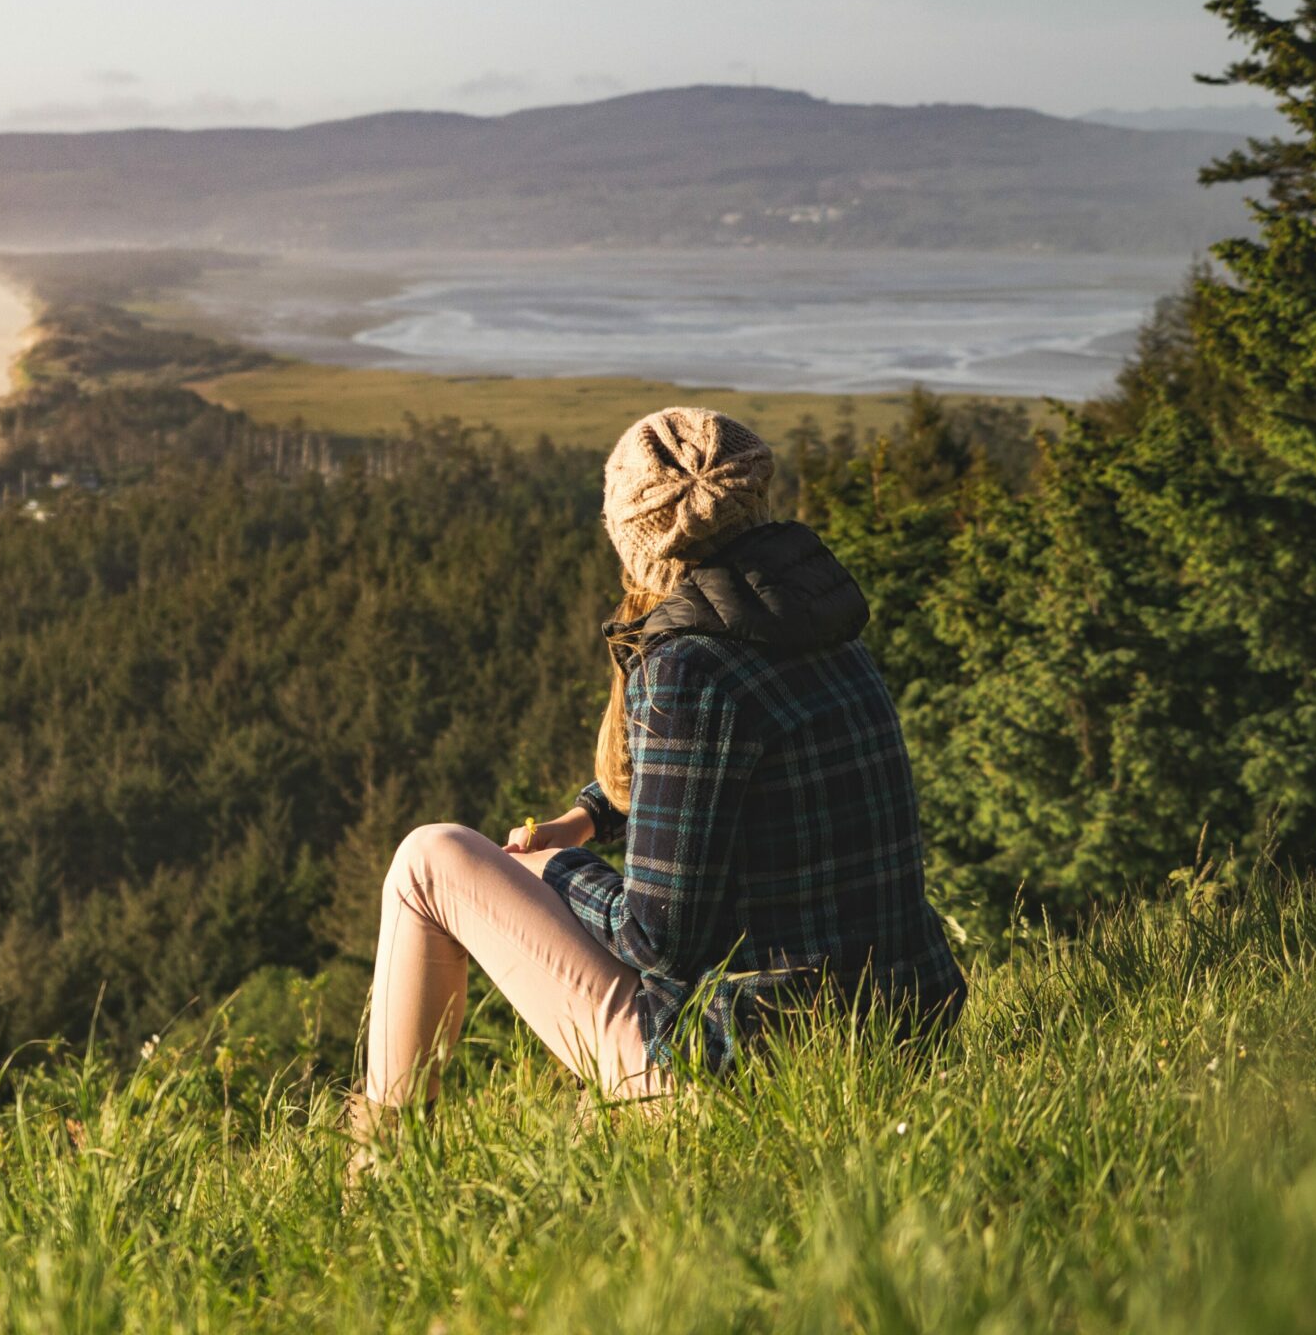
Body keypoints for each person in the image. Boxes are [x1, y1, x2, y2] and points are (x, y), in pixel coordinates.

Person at [352, 406, 967, 1149]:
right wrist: (588, 817)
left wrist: (559, 868)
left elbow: (657, 939)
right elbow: (718, 778)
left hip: (757, 1069)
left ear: (635, 535)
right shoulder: (820, 625)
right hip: (904, 1037)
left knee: (429, 859)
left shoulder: (691, 670)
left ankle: (381, 1160)